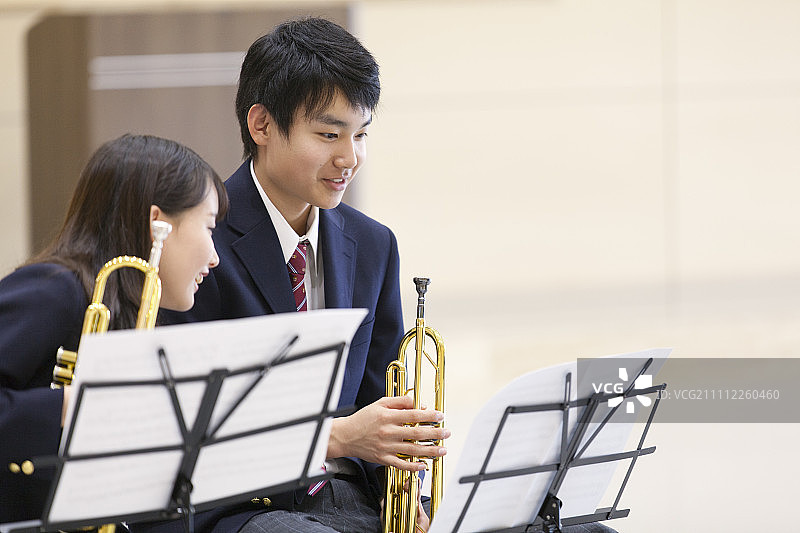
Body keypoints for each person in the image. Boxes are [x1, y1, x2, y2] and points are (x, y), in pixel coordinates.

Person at [143, 16, 449, 533]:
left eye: (362, 134)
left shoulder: (374, 244)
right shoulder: (197, 241)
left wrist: (409, 495)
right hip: (241, 507)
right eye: (330, 133)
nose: (350, 158)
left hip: (349, 499)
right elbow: (178, 425)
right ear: (260, 125)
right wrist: (339, 436)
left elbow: (380, 395)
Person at [0, 133, 227, 524]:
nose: (215, 257)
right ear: (159, 223)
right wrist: (73, 404)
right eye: (209, 228)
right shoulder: (53, 289)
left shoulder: (138, 317)